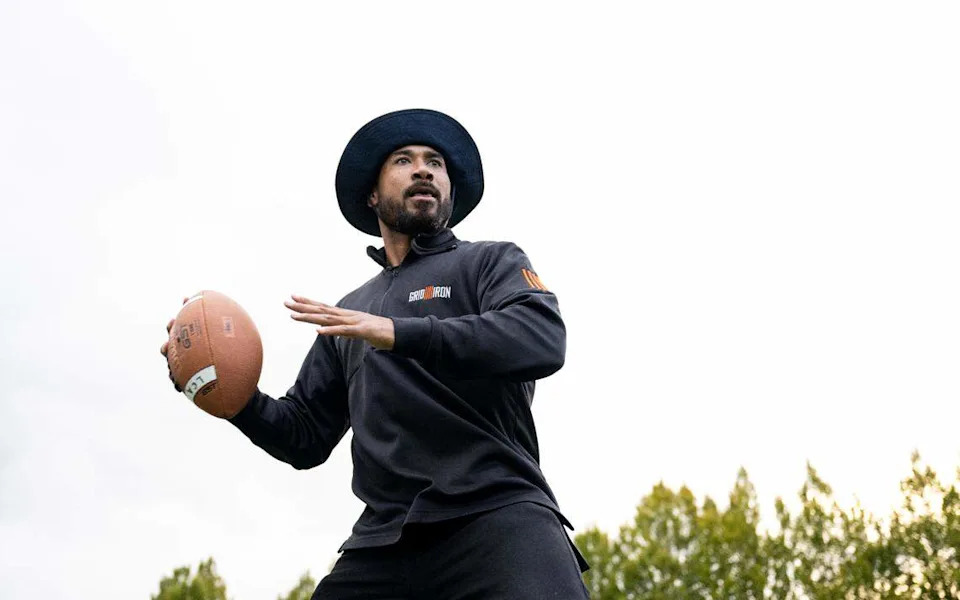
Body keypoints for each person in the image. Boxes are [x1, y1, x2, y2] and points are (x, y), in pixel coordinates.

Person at [163, 109, 589, 599]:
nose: (423, 169)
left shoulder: (489, 261)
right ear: (372, 194)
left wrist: (397, 332)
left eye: (435, 163)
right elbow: (304, 435)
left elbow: (540, 337)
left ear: (449, 189)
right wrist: (225, 391)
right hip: (383, 544)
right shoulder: (350, 315)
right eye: (404, 160)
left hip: (499, 518)